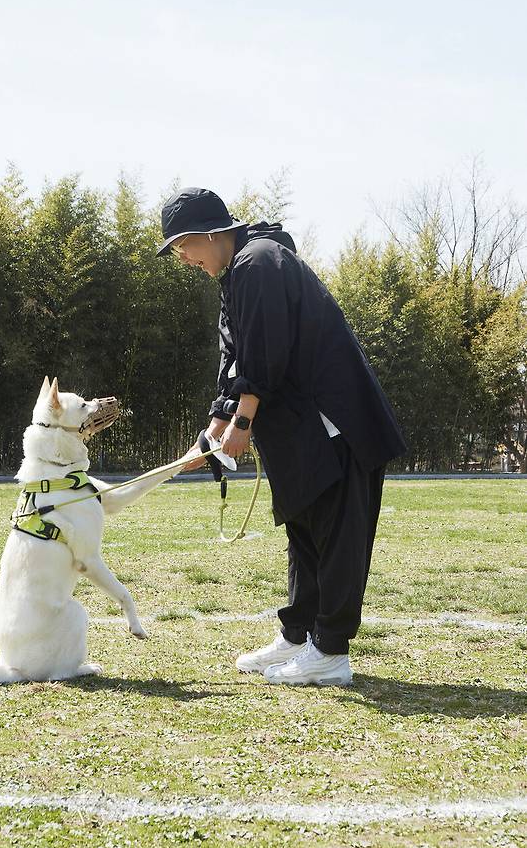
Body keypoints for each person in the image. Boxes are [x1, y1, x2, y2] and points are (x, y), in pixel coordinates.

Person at [158, 187, 406, 686]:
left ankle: (331, 651)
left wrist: (243, 423)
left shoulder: (259, 262)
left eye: (183, 245)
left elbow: (266, 354)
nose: (182, 257)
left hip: (335, 424)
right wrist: (210, 432)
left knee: (336, 535)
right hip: (300, 432)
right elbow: (236, 362)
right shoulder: (238, 274)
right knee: (304, 530)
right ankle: (299, 636)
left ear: (209, 233)